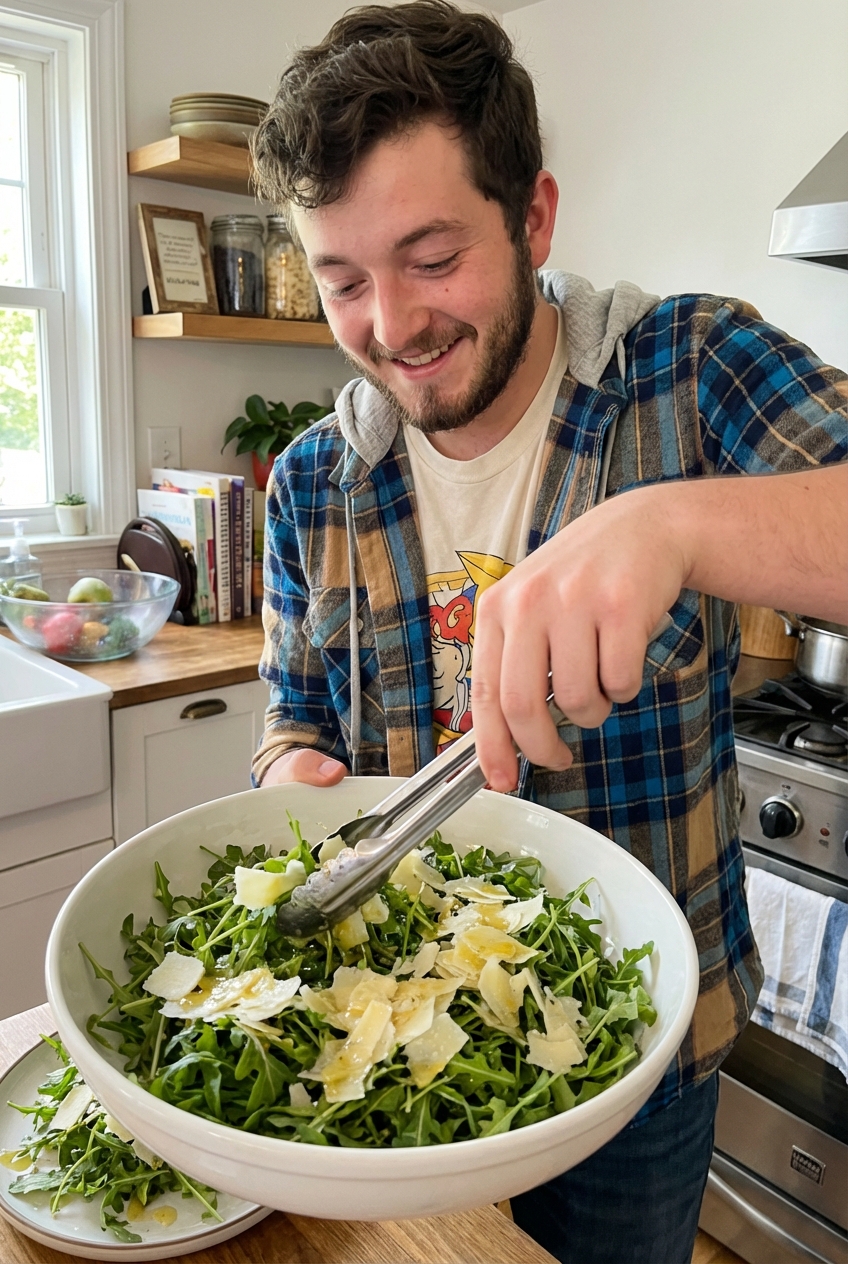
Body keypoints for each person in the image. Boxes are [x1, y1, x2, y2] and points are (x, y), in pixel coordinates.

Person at [249, 3, 848, 1260]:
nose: (390, 326)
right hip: (393, 1054)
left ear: (532, 218)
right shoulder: (310, 482)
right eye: (343, 281)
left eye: (430, 258)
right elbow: (292, 715)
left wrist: (674, 525)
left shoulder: (687, 368)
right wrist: (290, 777)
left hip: (635, 1063)